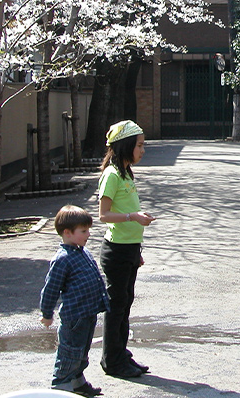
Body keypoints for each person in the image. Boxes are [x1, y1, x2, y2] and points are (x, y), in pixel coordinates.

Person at [96, 120, 155, 379]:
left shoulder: (126, 173)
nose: (143, 150)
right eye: (139, 145)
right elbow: (103, 215)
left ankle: (121, 354)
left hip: (129, 249)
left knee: (125, 304)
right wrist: (133, 217)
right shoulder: (111, 175)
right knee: (116, 307)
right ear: (125, 145)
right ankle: (112, 361)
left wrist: (136, 251)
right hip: (116, 252)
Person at [39, 205, 109, 397]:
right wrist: (46, 314)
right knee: (70, 353)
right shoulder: (62, 259)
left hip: (88, 314)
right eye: (83, 231)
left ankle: (78, 383)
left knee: (82, 352)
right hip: (74, 317)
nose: (88, 234)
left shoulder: (82, 252)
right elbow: (51, 289)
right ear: (67, 233)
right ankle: (60, 387)